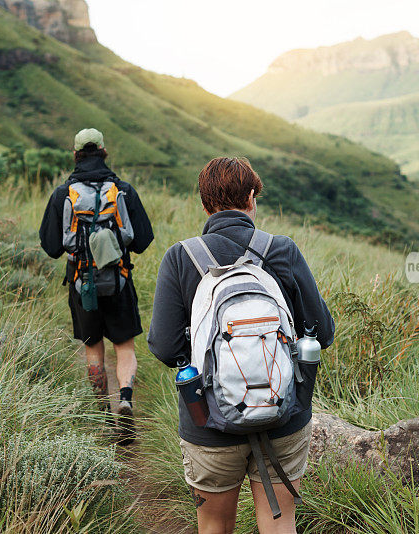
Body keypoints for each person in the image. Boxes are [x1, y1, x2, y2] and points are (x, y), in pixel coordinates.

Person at [148, 157, 334, 533]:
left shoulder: (181, 258)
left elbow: (165, 348)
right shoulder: (282, 250)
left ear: (204, 205)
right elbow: (323, 332)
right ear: (251, 198)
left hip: (208, 422)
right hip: (285, 415)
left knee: (215, 525)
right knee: (280, 524)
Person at [39, 128, 153, 444]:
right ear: (104, 151)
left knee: (93, 348)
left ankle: (103, 412)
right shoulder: (123, 190)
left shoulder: (64, 193)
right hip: (119, 280)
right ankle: (126, 399)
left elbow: (51, 246)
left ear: (75, 154)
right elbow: (143, 240)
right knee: (124, 345)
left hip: (81, 284)